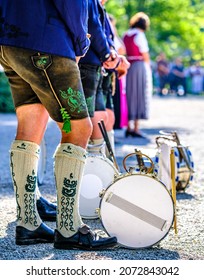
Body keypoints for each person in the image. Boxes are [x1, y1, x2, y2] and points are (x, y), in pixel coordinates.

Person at [0, 0, 117, 250]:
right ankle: (69, 228)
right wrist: (81, 42)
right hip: (47, 39)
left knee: (31, 123)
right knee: (80, 128)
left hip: (10, 40)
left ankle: (28, 223)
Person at [123, 12, 153, 138]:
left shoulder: (126, 34)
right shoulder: (140, 35)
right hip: (139, 66)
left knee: (129, 94)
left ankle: (128, 126)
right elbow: (145, 54)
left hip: (128, 65)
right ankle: (135, 127)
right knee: (139, 93)